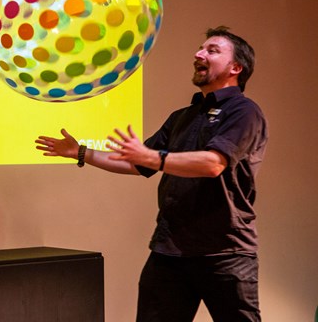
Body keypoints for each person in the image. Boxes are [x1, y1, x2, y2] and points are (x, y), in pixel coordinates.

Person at [35, 27, 268, 321]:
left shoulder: (244, 111)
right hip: (169, 251)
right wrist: (82, 153)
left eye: (212, 50)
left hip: (225, 252)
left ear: (236, 67)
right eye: (200, 48)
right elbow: (137, 164)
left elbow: (212, 164)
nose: (199, 54)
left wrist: (152, 157)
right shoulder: (182, 117)